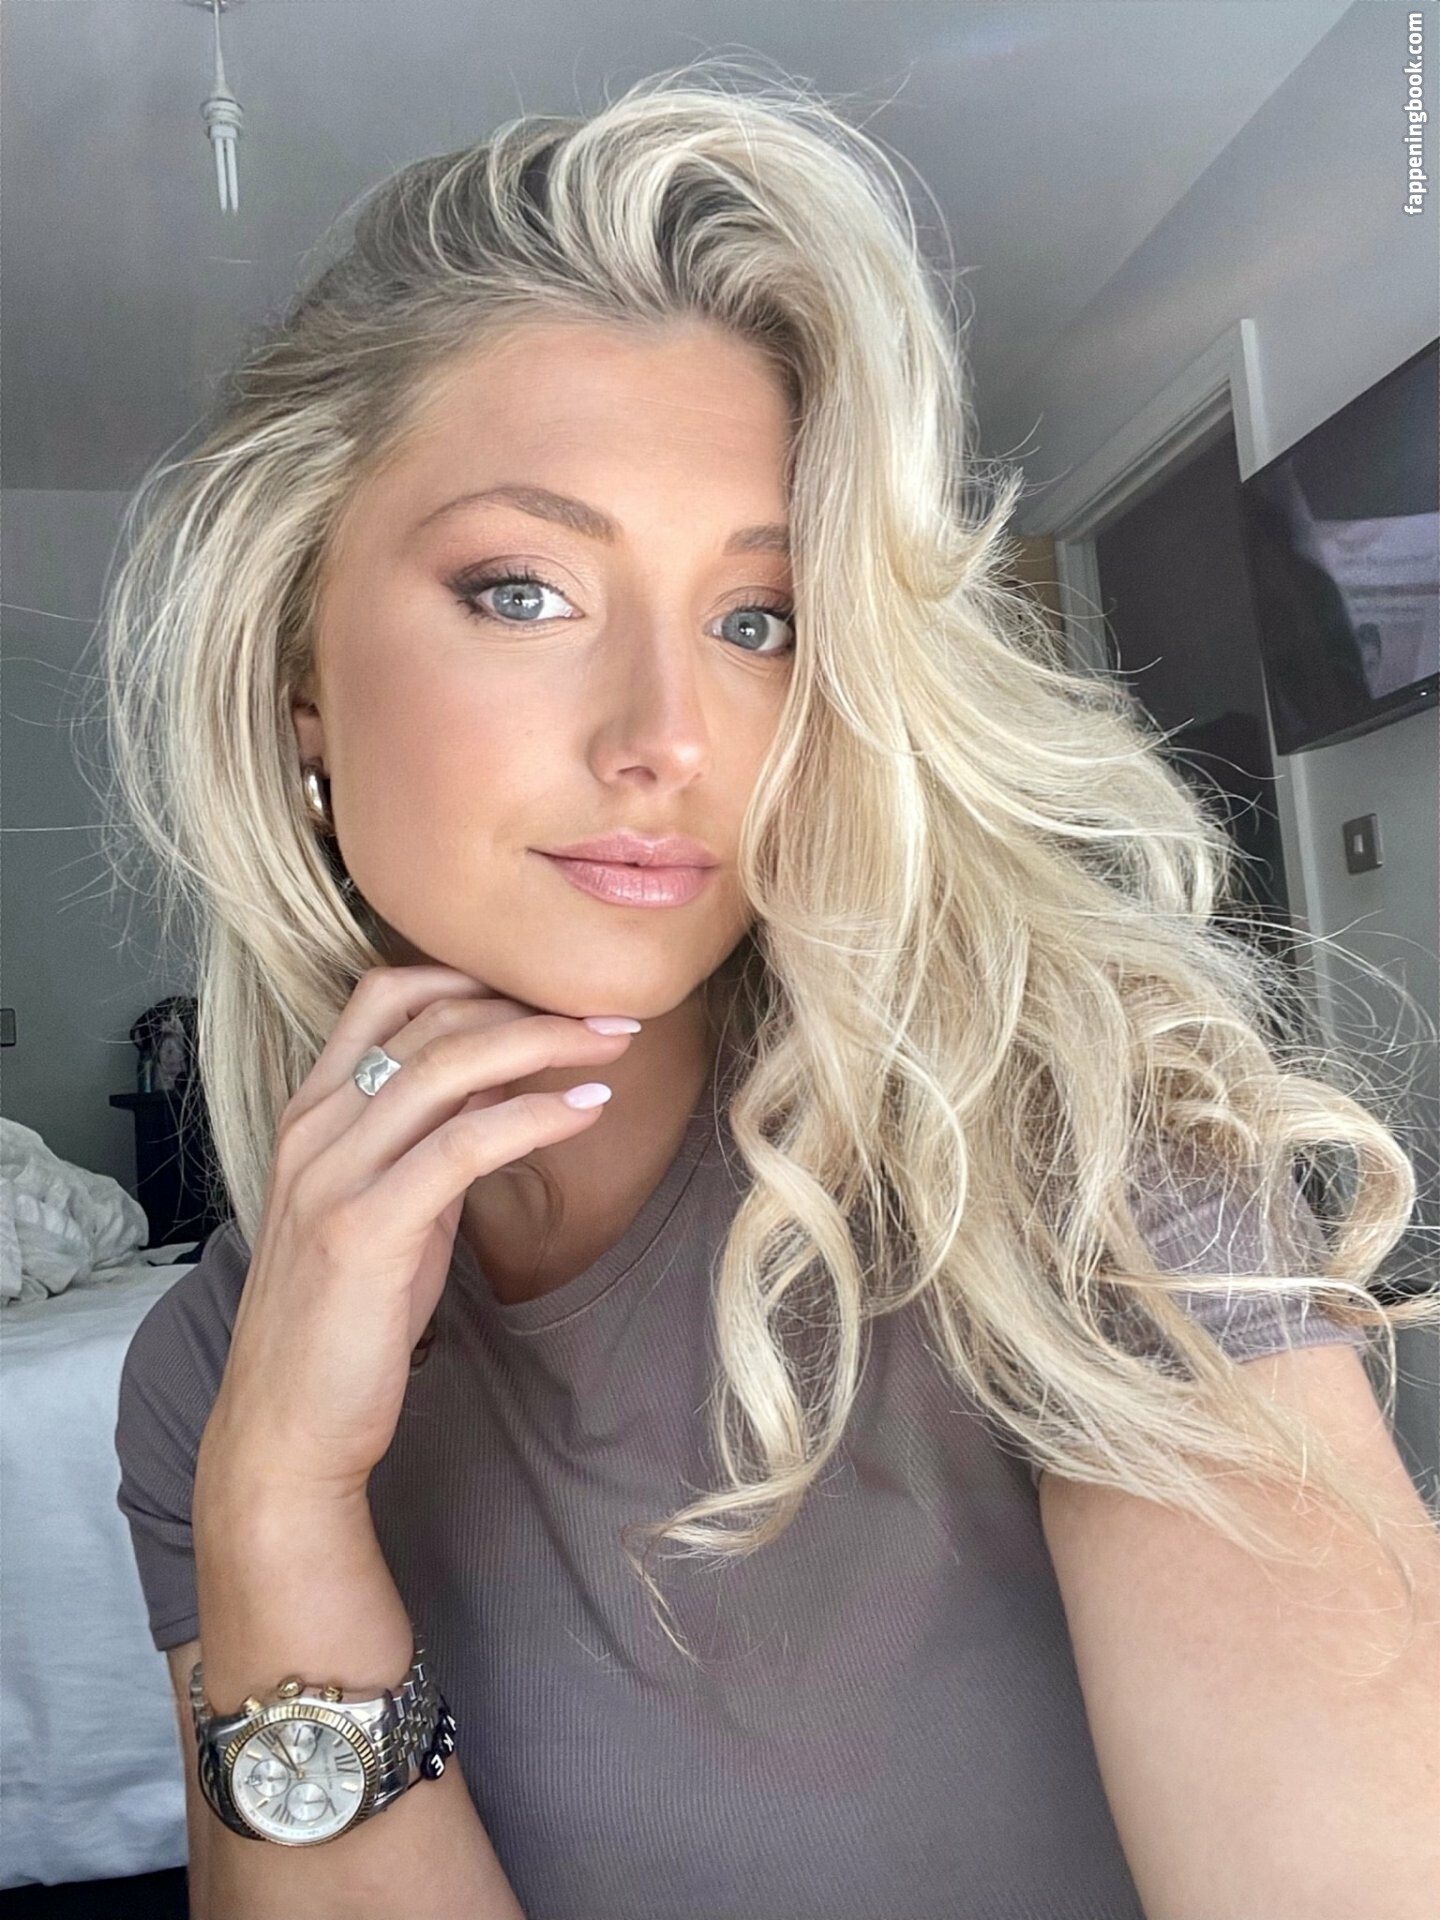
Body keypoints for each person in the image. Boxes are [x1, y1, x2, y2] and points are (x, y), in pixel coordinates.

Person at [101, 62, 1439, 1920]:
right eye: (523, 590)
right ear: (298, 681)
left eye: (762, 621)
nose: (667, 734)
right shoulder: (211, 1366)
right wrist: (274, 1505)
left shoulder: (1074, 1183)